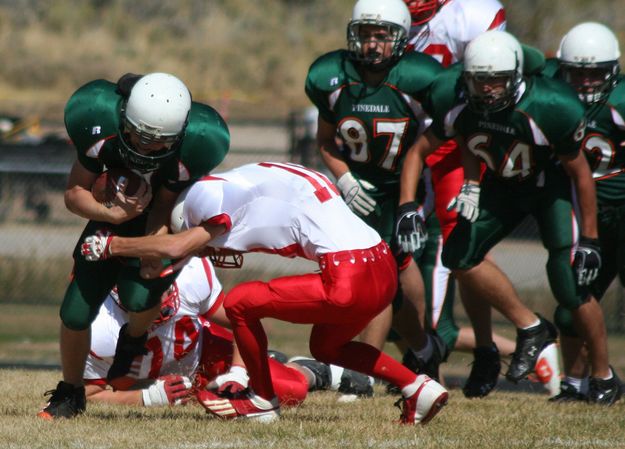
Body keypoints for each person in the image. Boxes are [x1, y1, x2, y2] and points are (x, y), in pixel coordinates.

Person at [79, 161, 449, 424]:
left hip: (348, 275)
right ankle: (417, 386)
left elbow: (177, 247)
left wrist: (111, 247)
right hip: (381, 265)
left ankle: (261, 399)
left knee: (240, 302)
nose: (208, 253)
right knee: (326, 347)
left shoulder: (206, 202)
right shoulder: (252, 177)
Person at [399, 29, 616, 403]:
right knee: (458, 255)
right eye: (479, 80)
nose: (487, 89)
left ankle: (603, 376)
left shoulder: (550, 104)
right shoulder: (455, 97)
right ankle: (532, 326)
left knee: (568, 282)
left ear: (516, 75)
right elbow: (423, 149)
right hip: (500, 183)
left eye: (496, 80)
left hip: (549, 187)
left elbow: (580, 173)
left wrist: (591, 240)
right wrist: (411, 205)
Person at [38, 72, 230, 420]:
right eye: (139, 135)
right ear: (124, 116)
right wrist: (109, 213)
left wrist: (153, 247)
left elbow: (162, 203)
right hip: (110, 216)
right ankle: (71, 392)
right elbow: (73, 193)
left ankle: (134, 338)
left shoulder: (197, 143)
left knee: (140, 296)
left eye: (159, 141)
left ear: (180, 133)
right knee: (74, 312)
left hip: (164, 216)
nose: (146, 147)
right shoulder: (98, 121)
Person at [306, 0, 448, 383]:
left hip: (406, 184)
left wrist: (408, 200)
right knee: (360, 273)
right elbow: (325, 142)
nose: (372, 44)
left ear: (399, 39)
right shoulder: (332, 76)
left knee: (390, 268)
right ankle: (413, 352)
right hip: (359, 187)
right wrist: (344, 178)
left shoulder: (419, 77)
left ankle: (394, 357)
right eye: (365, 35)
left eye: (381, 36)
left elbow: (447, 130)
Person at [400, 0, 517, 398]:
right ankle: (431, 353)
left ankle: (486, 344)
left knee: (459, 246)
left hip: (456, 142)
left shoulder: (471, 14)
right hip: (404, 144)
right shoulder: (383, 16)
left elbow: (493, 78)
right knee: (395, 249)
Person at [81, 256, 372, 408]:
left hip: (202, 354)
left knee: (289, 390)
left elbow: (242, 320)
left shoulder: (190, 275)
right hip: (155, 379)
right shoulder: (99, 327)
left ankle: (316, 371)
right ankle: (268, 359)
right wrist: (146, 398)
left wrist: (237, 371)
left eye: (161, 280)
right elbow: (86, 395)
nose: (163, 294)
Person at [542, 22, 624, 404]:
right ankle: (575, 384)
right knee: (572, 299)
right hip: (583, 210)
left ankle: (599, 380)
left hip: (621, 210)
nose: (587, 81)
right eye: (578, 72)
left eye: (595, 72)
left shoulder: (620, 100)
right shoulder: (554, 94)